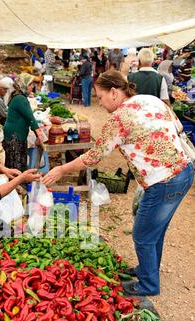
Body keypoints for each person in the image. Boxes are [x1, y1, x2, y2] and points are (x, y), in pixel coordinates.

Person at [42, 71, 194, 297]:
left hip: (164, 181)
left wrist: (62, 168)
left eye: (100, 97)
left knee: (142, 235)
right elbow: (178, 128)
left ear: (114, 92)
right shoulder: (149, 99)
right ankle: (147, 270)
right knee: (155, 230)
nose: (100, 103)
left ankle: (148, 285)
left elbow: (94, 156)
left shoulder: (119, 119)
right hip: (185, 171)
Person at [3, 73, 41, 172]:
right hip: (15, 135)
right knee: (16, 163)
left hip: (12, 133)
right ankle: (17, 184)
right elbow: (31, 119)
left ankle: (15, 183)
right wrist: (39, 136)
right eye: (30, 84)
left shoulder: (17, 95)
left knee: (12, 161)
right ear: (23, 85)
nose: (32, 86)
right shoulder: (20, 99)